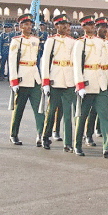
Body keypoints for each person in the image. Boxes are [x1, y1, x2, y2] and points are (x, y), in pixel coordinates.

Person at [72, 16, 108, 157]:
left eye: (92, 24)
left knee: (104, 115)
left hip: (101, 83)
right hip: (87, 84)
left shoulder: (101, 42)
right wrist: (80, 84)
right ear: (83, 27)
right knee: (82, 116)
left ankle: (107, 147)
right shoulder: (80, 43)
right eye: (88, 25)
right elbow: (77, 66)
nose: (91, 27)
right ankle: (77, 145)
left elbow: (106, 64)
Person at [40, 14, 77, 151]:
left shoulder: (73, 41)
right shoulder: (51, 41)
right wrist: (45, 82)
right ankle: (45, 136)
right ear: (56, 26)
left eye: (67, 24)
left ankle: (68, 143)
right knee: (51, 111)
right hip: (55, 79)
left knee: (67, 113)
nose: (66, 26)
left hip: (69, 80)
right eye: (62, 24)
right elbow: (45, 62)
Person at [8, 13, 45, 145]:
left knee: (39, 109)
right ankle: (13, 134)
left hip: (34, 77)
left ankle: (41, 135)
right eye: (27, 25)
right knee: (19, 109)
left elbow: (39, 59)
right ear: (21, 26)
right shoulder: (16, 41)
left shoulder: (36, 40)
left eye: (30, 24)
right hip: (22, 78)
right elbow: (12, 61)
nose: (30, 27)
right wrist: (14, 81)